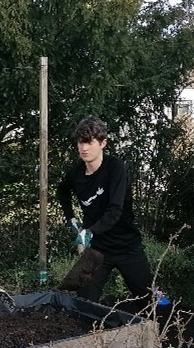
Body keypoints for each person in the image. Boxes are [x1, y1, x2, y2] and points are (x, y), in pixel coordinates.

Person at [56, 116, 154, 305]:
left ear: (102, 143)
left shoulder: (115, 168)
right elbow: (62, 191)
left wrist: (89, 232)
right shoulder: (75, 174)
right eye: (80, 142)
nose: (84, 148)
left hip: (127, 246)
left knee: (149, 300)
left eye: (90, 142)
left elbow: (115, 211)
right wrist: (71, 219)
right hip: (97, 249)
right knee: (82, 302)